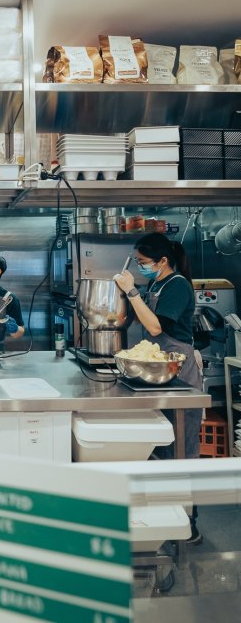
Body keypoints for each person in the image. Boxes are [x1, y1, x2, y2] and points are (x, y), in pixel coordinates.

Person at [114, 232, 203, 544]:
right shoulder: (156, 283)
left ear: (163, 261)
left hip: (179, 369)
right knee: (162, 446)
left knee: (183, 447)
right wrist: (127, 296)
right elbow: (136, 323)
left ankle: (188, 525)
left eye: (144, 263)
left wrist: (133, 293)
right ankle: (164, 519)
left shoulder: (177, 284)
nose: (140, 268)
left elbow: (155, 327)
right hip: (157, 368)